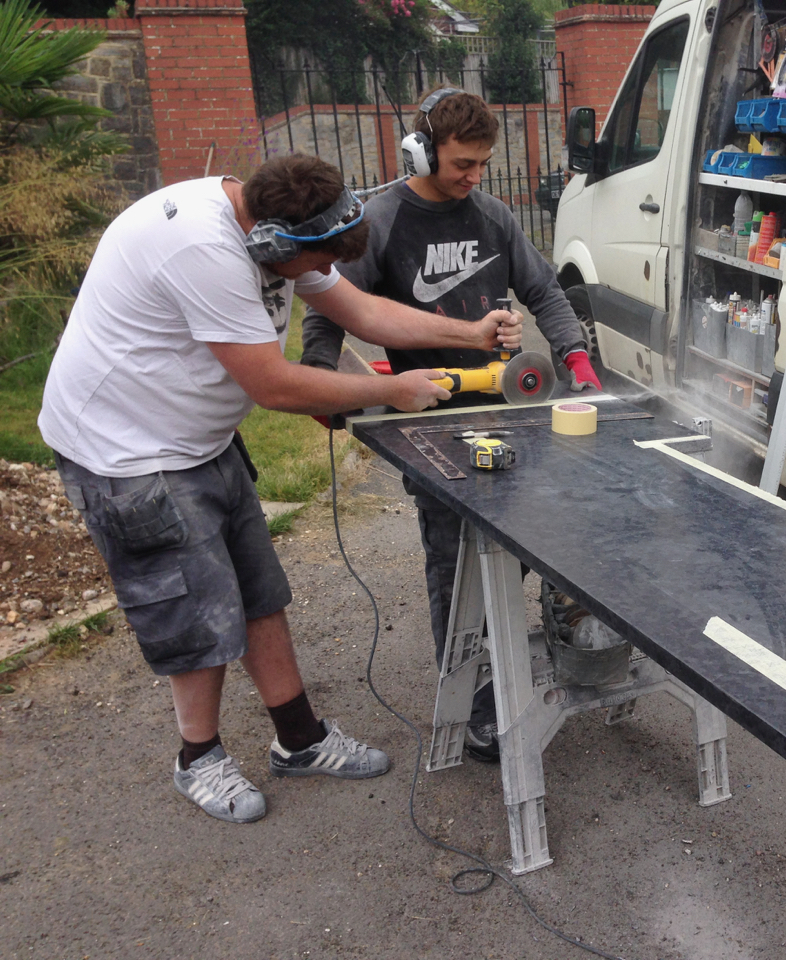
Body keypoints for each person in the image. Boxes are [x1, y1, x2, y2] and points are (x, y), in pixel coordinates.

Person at [37, 154, 522, 824]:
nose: (311, 281)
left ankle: (299, 740)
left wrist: (466, 332)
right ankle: (197, 758)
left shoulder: (285, 220)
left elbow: (363, 309)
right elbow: (274, 385)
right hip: (130, 454)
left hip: (197, 440)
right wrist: (391, 389)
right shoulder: (202, 252)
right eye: (307, 266)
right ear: (273, 244)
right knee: (193, 614)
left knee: (259, 594)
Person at [300, 89, 600, 762]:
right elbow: (328, 311)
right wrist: (322, 376)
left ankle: (537, 656)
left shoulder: (491, 215)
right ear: (421, 150)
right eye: (462, 163)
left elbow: (545, 290)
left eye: (482, 164)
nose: (473, 177)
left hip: (508, 405)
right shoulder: (381, 220)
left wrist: (577, 359)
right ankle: (468, 695)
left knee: (533, 538)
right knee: (455, 564)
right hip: (428, 419)